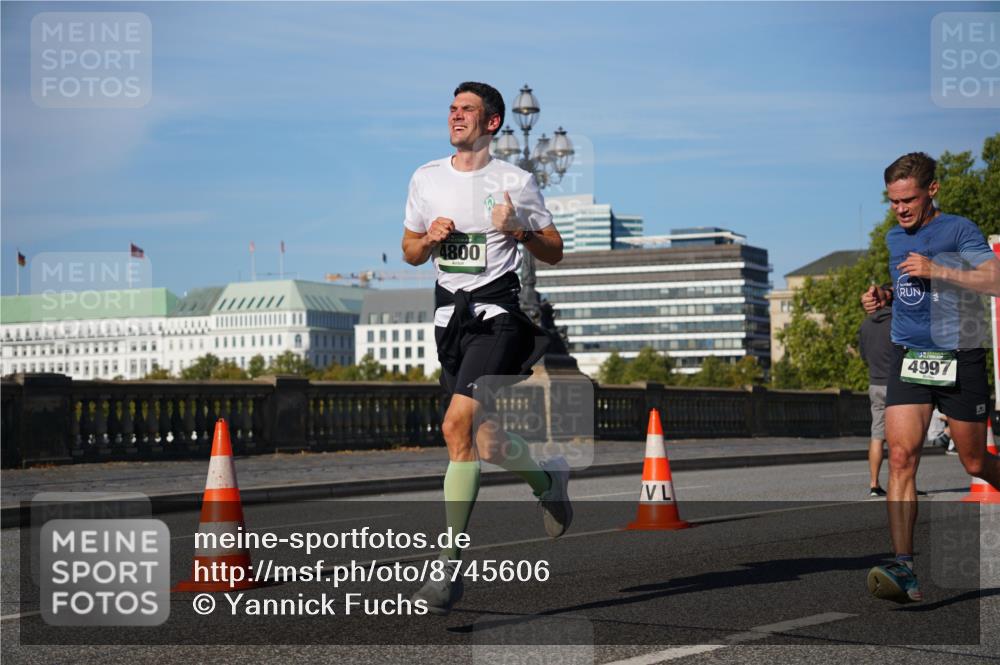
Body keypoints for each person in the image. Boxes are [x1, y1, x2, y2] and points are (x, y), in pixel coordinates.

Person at [400, 82, 572, 615]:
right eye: (452, 109)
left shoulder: (515, 180)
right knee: (489, 441)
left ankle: (448, 571)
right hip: (449, 322)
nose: (455, 116)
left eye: (466, 110)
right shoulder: (426, 178)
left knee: (456, 426)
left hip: (498, 320)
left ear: (492, 123)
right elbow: (408, 250)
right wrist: (427, 241)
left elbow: (556, 251)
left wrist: (518, 229)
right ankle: (548, 482)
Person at [861, 151, 1000, 603]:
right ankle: (904, 567)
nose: (900, 209)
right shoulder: (893, 238)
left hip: (959, 357)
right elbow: (908, 289)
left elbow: (994, 279)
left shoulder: (958, 229)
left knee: (976, 463)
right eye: (893, 201)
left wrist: (937, 268)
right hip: (912, 356)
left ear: (932, 190)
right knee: (901, 458)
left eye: (908, 200)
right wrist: (884, 295)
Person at [858, 301, 891, 496]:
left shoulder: (866, 324)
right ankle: (903, 483)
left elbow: (863, 355)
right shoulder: (899, 320)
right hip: (898, 384)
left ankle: (874, 484)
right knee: (901, 438)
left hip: (875, 383)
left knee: (877, 436)